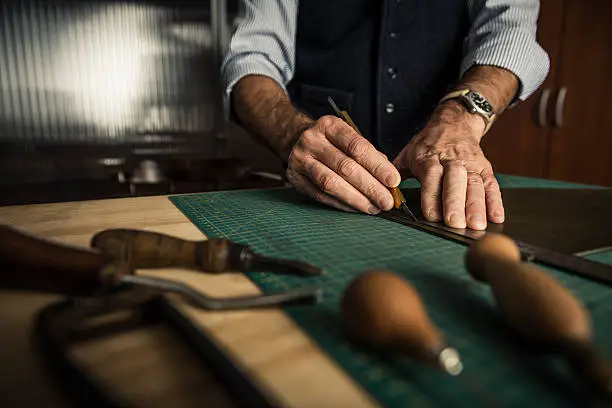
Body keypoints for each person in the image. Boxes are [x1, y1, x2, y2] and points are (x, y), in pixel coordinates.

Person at [221, 0, 549, 230]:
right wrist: (291, 133)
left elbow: (511, 32)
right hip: (310, 196)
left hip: (430, 187)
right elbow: (251, 57)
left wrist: (459, 119)